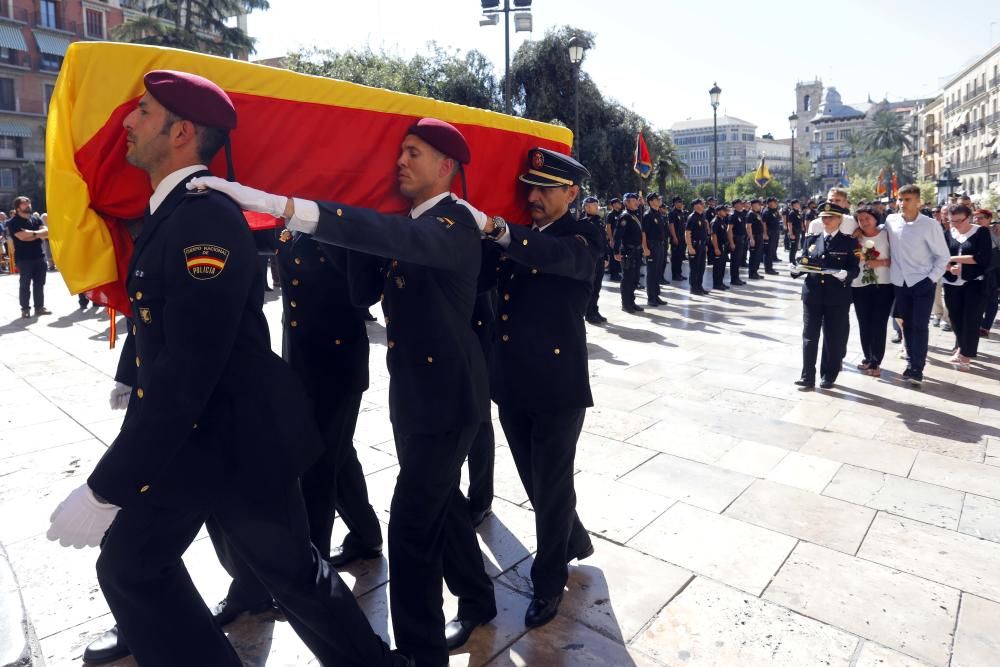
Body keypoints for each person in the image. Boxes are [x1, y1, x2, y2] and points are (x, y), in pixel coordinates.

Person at [49, 70, 408, 667]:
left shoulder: (202, 220)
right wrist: (130, 366)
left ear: (183, 132)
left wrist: (107, 486)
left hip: (233, 437)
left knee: (237, 570)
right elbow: (161, 318)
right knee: (150, 565)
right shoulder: (174, 213)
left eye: (142, 111)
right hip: (205, 434)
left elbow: (192, 365)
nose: (127, 121)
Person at [191, 116, 496, 665]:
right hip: (414, 397)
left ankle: (421, 654)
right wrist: (360, 216)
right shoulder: (408, 222)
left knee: (409, 533)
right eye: (399, 152)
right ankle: (480, 596)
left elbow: (401, 241)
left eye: (414, 153)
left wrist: (291, 206)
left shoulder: (452, 224)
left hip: (448, 402)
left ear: (447, 166)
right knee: (439, 505)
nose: (401, 161)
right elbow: (364, 293)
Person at [476, 147, 600, 628]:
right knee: (535, 479)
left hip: (555, 385)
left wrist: (504, 233)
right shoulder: (513, 235)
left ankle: (549, 581)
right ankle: (573, 539)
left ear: (570, 193)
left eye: (544, 189)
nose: (533, 197)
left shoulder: (583, 234)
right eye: (529, 188)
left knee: (550, 485)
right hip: (509, 379)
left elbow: (557, 258)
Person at [884, 184, 951, 387]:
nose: (902, 203)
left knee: (920, 326)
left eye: (908, 199)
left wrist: (931, 279)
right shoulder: (891, 220)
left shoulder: (930, 225)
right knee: (905, 324)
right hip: (899, 282)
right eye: (900, 199)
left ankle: (917, 369)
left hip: (922, 282)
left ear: (918, 201)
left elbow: (943, 256)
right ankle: (911, 361)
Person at [793, 201, 860, 389]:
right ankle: (807, 375)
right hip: (813, 294)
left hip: (836, 296)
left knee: (833, 337)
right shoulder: (811, 240)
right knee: (809, 336)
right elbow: (805, 262)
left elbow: (854, 269)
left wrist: (845, 275)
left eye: (830, 217)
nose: (826, 220)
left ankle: (828, 375)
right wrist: (795, 269)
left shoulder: (849, 242)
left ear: (839, 220)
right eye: (823, 217)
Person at [942, 204, 993, 370]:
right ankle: (961, 348)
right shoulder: (947, 234)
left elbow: (982, 258)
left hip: (975, 282)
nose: (955, 224)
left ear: (969, 218)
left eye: (959, 221)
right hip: (951, 283)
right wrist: (950, 267)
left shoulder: (981, 232)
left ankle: (966, 355)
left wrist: (955, 261)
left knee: (971, 319)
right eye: (951, 221)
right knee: (955, 318)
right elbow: (940, 257)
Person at [850, 206, 893, 377]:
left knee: (878, 323)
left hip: (884, 284)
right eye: (860, 219)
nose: (864, 222)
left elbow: (897, 257)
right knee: (864, 323)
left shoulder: (886, 234)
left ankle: (876, 362)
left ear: (876, 218)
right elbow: (854, 256)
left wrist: (880, 263)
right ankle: (867, 357)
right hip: (860, 284)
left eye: (867, 218)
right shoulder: (856, 237)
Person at [7, 196, 50, 318]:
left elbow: (46, 232)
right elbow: (21, 236)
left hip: (39, 256)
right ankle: (25, 309)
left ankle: (39, 307)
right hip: (24, 259)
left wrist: (32, 234)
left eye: (29, 203)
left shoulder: (35, 219)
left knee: (39, 284)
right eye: (25, 204)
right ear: (17, 207)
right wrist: (37, 234)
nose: (28, 205)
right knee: (25, 285)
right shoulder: (13, 222)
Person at [614, 193, 644, 313]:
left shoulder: (634, 214)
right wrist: (616, 251)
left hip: (636, 251)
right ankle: (626, 304)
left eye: (636, 200)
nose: (636, 202)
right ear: (626, 203)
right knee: (627, 278)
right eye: (632, 200)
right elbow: (617, 236)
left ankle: (631, 301)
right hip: (628, 251)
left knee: (635, 278)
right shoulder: (624, 216)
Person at [581, 196, 608, 323]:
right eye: (594, 205)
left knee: (597, 287)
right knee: (590, 287)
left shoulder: (599, 221)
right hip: (591, 260)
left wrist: (606, 256)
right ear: (586, 207)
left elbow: (604, 241)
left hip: (600, 259)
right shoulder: (584, 222)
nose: (597, 207)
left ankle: (595, 310)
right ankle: (589, 313)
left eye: (597, 205)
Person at [975, 209, 999, 335]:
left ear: (989, 218)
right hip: (975, 269)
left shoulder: (995, 231)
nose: (977, 220)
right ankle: (977, 323)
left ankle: (985, 327)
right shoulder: (972, 230)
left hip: (992, 270)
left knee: (992, 299)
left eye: (981, 217)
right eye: (976, 217)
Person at [642, 192, 667, 306]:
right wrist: (645, 248)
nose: (659, 200)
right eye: (657, 199)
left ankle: (656, 295)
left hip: (660, 246)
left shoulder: (658, 214)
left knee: (657, 272)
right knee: (652, 272)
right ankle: (651, 298)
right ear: (651, 201)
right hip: (652, 246)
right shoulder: (648, 215)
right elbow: (643, 233)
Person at [685, 198, 710, 295]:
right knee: (695, 268)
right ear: (696, 206)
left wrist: (706, 244)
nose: (703, 205)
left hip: (702, 245)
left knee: (701, 267)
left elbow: (704, 232)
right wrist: (690, 247)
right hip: (695, 245)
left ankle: (699, 286)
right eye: (701, 203)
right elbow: (687, 233)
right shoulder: (692, 217)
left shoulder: (702, 216)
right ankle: (694, 288)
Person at [709, 204, 730, 291]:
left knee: (722, 266)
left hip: (723, 246)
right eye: (723, 210)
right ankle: (716, 284)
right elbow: (713, 236)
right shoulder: (715, 221)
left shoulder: (722, 220)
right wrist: (716, 248)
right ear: (718, 212)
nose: (726, 212)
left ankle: (720, 282)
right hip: (718, 246)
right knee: (718, 266)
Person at [667, 196, 687, 281]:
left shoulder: (681, 213)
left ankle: (679, 273)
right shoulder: (672, 213)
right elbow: (671, 226)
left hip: (682, 238)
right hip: (676, 238)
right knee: (675, 258)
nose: (681, 204)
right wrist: (674, 237)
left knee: (680, 257)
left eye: (682, 202)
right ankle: (675, 275)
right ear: (675, 203)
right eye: (679, 202)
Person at [728, 199, 747, 286]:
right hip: (736, 239)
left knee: (738, 260)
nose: (741, 205)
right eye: (740, 204)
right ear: (735, 205)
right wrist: (731, 242)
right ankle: (734, 279)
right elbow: (729, 230)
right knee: (735, 260)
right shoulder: (733, 215)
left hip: (741, 239)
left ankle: (737, 277)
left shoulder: (741, 214)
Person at [745, 198, 765, 280]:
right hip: (754, 237)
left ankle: (755, 272)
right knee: (753, 256)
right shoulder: (750, 214)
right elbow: (748, 227)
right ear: (753, 205)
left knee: (758, 255)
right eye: (757, 205)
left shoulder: (757, 214)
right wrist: (751, 238)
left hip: (759, 236)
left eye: (759, 205)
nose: (759, 206)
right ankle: (752, 273)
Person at [762, 197, 782, 274]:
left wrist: (777, 210)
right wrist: (765, 234)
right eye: (775, 202)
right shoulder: (766, 211)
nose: (776, 204)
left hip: (775, 232)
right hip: (769, 233)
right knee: (768, 252)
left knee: (772, 250)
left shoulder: (774, 211)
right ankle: (768, 269)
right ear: (770, 203)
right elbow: (764, 224)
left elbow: (778, 218)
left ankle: (770, 267)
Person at [604, 197, 623, 281]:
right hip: (613, 238)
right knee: (613, 256)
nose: (620, 204)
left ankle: (618, 272)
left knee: (618, 255)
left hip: (620, 239)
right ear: (614, 204)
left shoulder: (621, 214)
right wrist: (611, 239)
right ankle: (613, 274)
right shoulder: (610, 214)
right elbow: (608, 227)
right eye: (618, 203)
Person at [786, 199, 803, 264]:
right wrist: (791, 234)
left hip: (797, 231)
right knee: (793, 248)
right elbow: (789, 224)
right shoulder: (792, 213)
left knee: (795, 247)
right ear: (794, 205)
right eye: (797, 204)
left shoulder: (798, 212)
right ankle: (791, 261)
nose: (799, 204)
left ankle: (793, 260)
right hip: (793, 231)